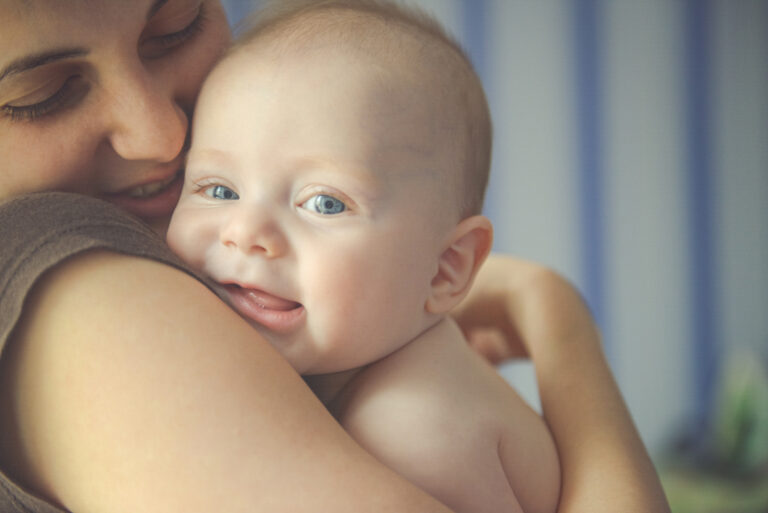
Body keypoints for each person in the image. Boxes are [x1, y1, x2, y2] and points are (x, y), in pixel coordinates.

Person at [0, 0, 671, 512]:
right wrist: (556, 319)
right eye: (42, 95)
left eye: (174, 26)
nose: (163, 134)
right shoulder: (76, 294)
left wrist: (552, 313)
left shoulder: (411, 424)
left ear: (446, 267)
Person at [166, 2, 559, 512]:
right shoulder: (357, 369)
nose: (245, 233)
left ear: (446, 268)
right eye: (218, 190)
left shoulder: (408, 428)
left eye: (325, 203)